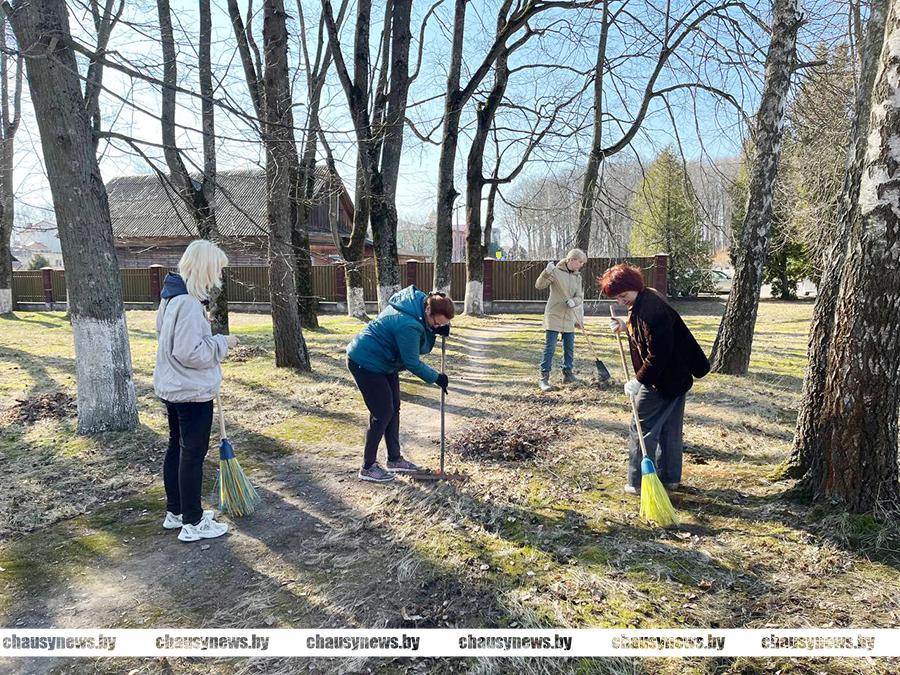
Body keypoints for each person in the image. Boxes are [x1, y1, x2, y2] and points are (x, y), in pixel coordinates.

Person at [154, 239, 238, 542]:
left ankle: (175, 512)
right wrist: (221, 343)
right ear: (205, 268)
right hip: (190, 392)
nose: (218, 276)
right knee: (192, 454)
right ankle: (192, 522)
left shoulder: (171, 298)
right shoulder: (188, 304)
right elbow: (190, 352)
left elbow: (165, 337)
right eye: (217, 269)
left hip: (173, 387)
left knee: (177, 448)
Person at [600, 263, 709, 495]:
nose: (621, 301)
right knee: (670, 429)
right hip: (677, 378)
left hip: (662, 380)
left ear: (633, 286)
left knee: (640, 426)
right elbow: (643, 332)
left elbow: (658, 353)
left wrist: (638, 381)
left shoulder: (652, 311)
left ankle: (638, 482)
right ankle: (670, 479)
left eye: (623, 295)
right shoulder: (645, 298)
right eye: (617, 298)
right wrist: (625, 325)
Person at [346, 286, 454, 483]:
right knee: (382, 412)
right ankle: (368, 466)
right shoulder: (408, 324)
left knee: (394, 408)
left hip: (385, 362)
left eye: (442, 325)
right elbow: (412, 361)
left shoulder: (420, 304)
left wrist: (436, 329)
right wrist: (437, 377)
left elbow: (423, 333)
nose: (437, 327)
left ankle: (394, 459)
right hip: (366, 361)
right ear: (428, 311)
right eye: (437, 323)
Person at [534, 248, 587, 391]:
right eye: (580, 261)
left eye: (583, 262)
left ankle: (567, 373)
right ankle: (544, 378)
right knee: (550, 347)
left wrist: (574, 302)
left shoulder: (578, 277)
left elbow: (579, 297)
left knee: (569, 347)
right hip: (554, 314)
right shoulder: (555, 272)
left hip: (569, 315)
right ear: (571, 260)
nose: (581, 264)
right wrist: (546, 272)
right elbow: (539, 285)